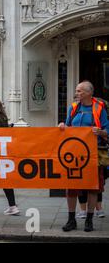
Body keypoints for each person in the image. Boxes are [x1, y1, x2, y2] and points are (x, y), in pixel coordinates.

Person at [59, 81, 108, 232]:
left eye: (80, 91)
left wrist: (100, 132)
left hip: (93, 154)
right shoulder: (73, 108)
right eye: (76, 91)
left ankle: (89, 220)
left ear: (89, 93)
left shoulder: (99, 109)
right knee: (71, 187)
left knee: (92, 188)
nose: (77, 93)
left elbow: (107, 130)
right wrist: (62, 126)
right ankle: (71, 219)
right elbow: (67, 127)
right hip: (73, 153)